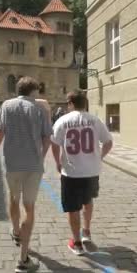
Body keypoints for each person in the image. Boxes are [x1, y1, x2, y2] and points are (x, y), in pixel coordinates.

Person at [0, 76, 52, 273]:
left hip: (12, 163)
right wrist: (41, 156)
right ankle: (23, 259)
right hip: (33, 165)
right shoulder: (41, 108)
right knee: (29, 209)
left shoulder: (7, 105)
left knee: (14, 199)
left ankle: (15, 231)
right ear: (34, 91)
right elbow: (47, 138)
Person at [50, 90, 113, 255]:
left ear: (70, 103)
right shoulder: (95, 120)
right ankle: (86, 231)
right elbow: (108, 142)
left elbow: (54, 144)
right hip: (91, 171)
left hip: (71, 172)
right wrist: (99, 157)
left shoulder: (62, 121)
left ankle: (77, 243)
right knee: (88, 200)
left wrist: (57, 162)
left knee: (72, 208)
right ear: (84, 103)